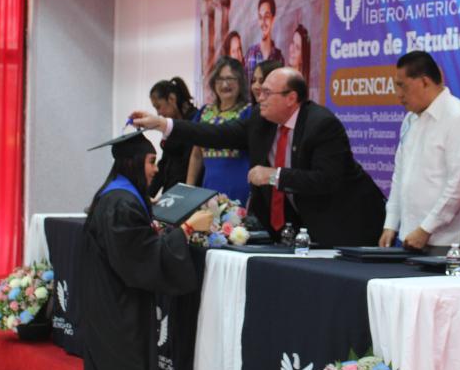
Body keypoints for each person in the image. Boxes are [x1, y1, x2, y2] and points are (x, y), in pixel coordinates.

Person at [80, 130, 213, 370]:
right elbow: (141, 259)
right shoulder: (121, 202)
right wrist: (185, 230)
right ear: (133, 162)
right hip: (118, 309)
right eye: (151, 161)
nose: (155, 169)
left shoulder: (116, 196)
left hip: (109, 303)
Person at [134, 67, 385, 247]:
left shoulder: (322, 125)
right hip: (302, 231)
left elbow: (327, 179)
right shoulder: (260, 121)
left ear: (291, 98)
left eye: (267, 93)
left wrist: (275, 176)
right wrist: (164, 124)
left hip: (350, 224)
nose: (259, 97)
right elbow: (216, 134)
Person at [379, 52, 460, 254]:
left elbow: (459, 186)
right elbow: (400, 175)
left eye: (402, 86)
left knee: (446, 275)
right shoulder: (410, 120)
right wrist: (391, 223)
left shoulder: (459, 118)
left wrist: (426, 229)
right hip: (409, 237)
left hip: (447, 242)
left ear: (424, 82)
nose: (398, 94)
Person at [188, 57, 253, 204]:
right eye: (220, 79)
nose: (225, 84)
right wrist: (189, 188)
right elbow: (196, 155)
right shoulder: (204, 112)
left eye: (230, 79)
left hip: (240, 189)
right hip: (209, 188)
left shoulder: (249, 112)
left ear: (240, 81)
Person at [147, 77, 198, 198]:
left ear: (171, 99)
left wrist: (187, 192)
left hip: (189, 193)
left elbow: (193, 161)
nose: (158, 113)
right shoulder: (171, 125)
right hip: (171, 191)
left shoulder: (196, 120)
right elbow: (164, 163)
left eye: (158, 106)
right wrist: (147, 196)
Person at [244, 0, 284, 81]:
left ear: (273, 19)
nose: (263, 22)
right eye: (260, 17)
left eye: (267, 16)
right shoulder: (250, 55)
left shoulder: (279, 58)